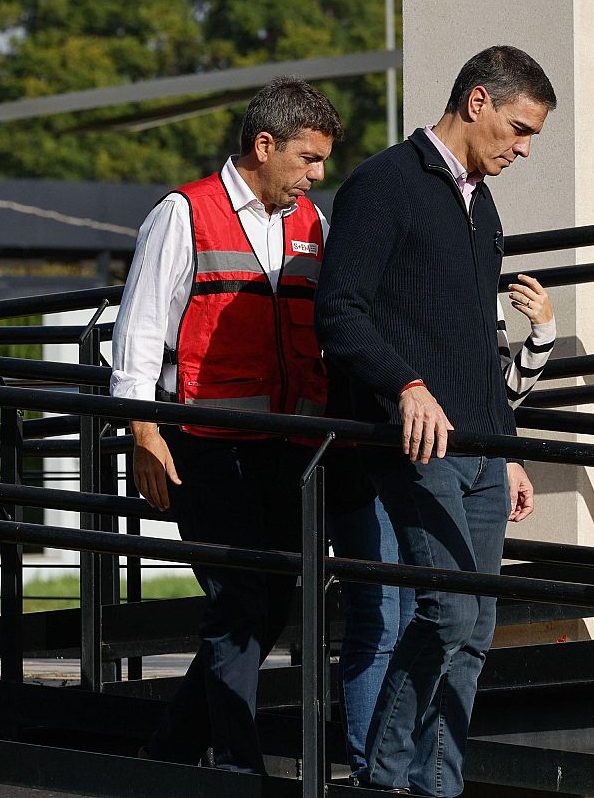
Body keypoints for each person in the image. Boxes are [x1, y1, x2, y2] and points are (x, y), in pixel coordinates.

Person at [316, 45, 557, 796]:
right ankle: (383, 782)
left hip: (482, 448)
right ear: (477, 101)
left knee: (477, 633)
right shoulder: (382, 185)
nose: (522, 149)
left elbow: (480, 345)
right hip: (419, 443)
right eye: (518, 129)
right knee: (448, 618)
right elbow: (339, 313)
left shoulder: (481, 204)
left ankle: (438, 788)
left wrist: (509, 450)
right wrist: (406, 385)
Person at [110, 77, 342, 774]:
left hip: (289, 450)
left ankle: (170, 752)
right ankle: (238, 769)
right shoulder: (183, 214)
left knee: (270, 603)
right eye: (308, 158)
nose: (318, 175)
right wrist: (144, 435)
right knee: (242, 600)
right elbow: (140, 333)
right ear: (263, 146)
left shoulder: (314, 225)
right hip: (203, 450)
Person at [328, 277, 556, 783]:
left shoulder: (474, 268)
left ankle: (426, 780)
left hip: (462, 458)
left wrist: (543, 334)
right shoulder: (385, 235)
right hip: (384, 448)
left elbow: (490, 393)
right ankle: (378, 774)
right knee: (392, 617)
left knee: (459, 626)